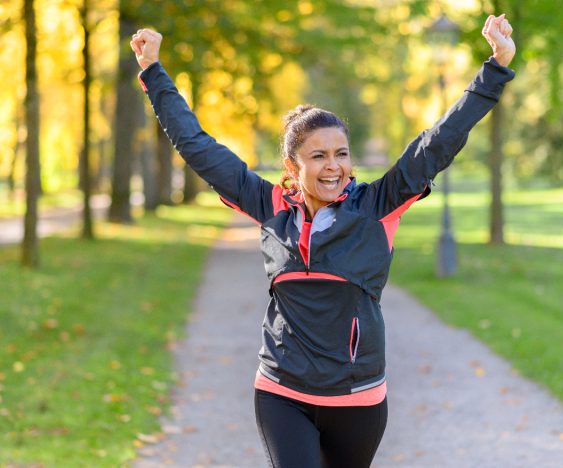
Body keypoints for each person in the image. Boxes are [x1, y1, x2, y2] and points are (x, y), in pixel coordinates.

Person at [130, 13, 515, 468]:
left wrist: (494, 70)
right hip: (281, 390)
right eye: (318, 156)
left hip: (358, 397)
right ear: (293, 168)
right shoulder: (270, 204)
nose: (333, 166)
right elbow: (197, 145)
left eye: (341, 154)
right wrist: (154, 72)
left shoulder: (377, 206)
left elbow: (436, 143)